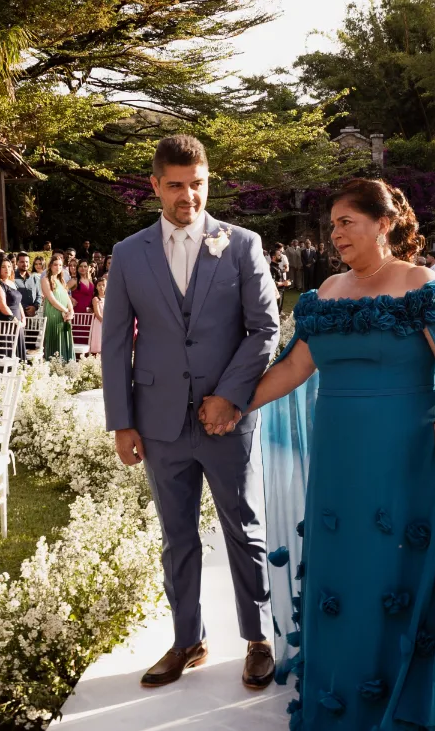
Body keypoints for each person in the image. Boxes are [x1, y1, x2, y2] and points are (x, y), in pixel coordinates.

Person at [247, 176, 435, 729]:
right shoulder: (327, 292)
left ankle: (398, 686)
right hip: (338, 459)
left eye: (346, 222)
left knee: (391, 570)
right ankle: (342, 681)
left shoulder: (419, 282)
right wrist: (235, 402)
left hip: (403, 457)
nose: (335, 234)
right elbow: (293, 368)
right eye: (332, 224)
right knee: (344, 570)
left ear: (383, 224)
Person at [101, 134, 279, 690]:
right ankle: (187, 640)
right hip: (157, 423)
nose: (188, 196)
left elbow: (265, 330)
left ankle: (256, 638)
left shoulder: (243, 244)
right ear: (154, 185)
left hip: (226, 420)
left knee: (243, 529)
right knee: (176, 536)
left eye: (197, 184)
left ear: (209, 180)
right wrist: (122, 421)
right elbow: (114, 344)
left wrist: (229, 395)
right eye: (175, 185)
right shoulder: (129, 254)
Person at [0, 257, 26, 361]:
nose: (7, 269)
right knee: (8, 355)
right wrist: (14, 319)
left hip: (17, 322)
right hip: (5, 323)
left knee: (18, 353)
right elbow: (2, 305)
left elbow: (18, 303)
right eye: (3, 267)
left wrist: (23, 318)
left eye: (9, 266)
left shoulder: (12, 283)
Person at [41, 253, 74, 360]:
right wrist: (65, 311)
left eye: (60, 265)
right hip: (53, 314)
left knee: (65, 340)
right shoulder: (45, 280)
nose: (58, 267)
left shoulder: (61, 280)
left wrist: (71, 311)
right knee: (55, 339)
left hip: (65, 315)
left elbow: (67, 298)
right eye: (55, 265)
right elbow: (52, 300)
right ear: (50, 265)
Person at [68, 261, 96, 346]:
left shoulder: (91, 281)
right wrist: (71, 298)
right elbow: (62, 291)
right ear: (77, 268)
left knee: (87, 334)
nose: (83, 268)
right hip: (77, 311)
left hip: (88, 313)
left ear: (88, 268)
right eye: (80, 266)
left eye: (85, 266)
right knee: (77, 333)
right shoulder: (74, 280)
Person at [14, 252, 42, 318]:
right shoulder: (12, 278)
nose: (25, 264)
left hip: (33, 316)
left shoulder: (34, 278)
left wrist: (34, 307)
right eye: (22, 262)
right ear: (17, 263)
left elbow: (39, 295)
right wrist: (27, 309)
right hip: (19, 316)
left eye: (27, 262)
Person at [87, 275, 106, 356]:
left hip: (109, 323)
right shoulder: (96, 299)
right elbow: (97, 314)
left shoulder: (110, 298)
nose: (101, 287)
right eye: (99, 285)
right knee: (99, 342)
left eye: (103, 285)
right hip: (99, 323)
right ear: (96, 287)